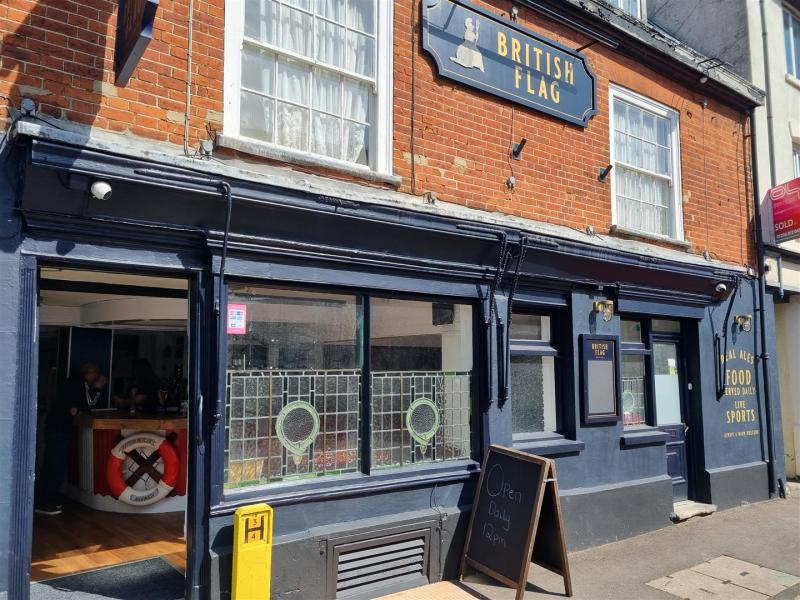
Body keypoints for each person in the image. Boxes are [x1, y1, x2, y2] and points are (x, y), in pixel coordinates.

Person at [35, 363, 107, 516]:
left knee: (51, 465)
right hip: (59, 429)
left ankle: (45, 500)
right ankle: (45, 502)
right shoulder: (80, 383)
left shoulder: (70, 383)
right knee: (55, 466)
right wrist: (99, 387)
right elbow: (89, 403)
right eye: (97, 374)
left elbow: (78, 406)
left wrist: (76, 409)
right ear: (92, 373)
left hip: (54, 428)